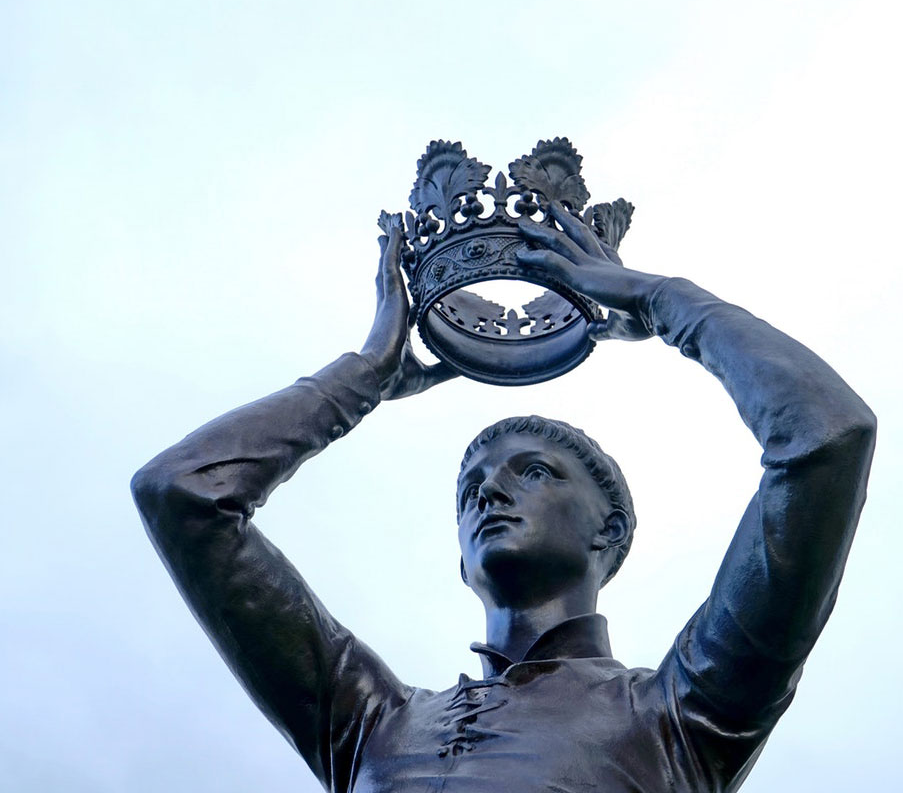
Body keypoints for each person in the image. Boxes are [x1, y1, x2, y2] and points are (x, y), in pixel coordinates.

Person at [132, 204, 875, 792]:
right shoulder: (370, 723)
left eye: (535, 472)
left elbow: (826, 437)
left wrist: (661, 301)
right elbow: (183, 493)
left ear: (608, 531)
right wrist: (361, 377)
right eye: (470, 487)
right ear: (461, 564)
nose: (489, 489)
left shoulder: (680, 713)